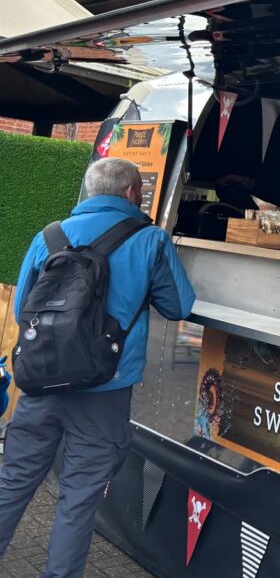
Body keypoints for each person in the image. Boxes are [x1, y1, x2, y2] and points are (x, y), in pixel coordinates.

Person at [0, 157, 195, 578]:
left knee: (12, 484)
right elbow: (179, 305)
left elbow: (21, 311)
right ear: (130, 193)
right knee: (78, 499)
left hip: (41, 386)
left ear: (90, 191)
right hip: (105, 390)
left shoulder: (48, 235)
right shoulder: (151, 240)